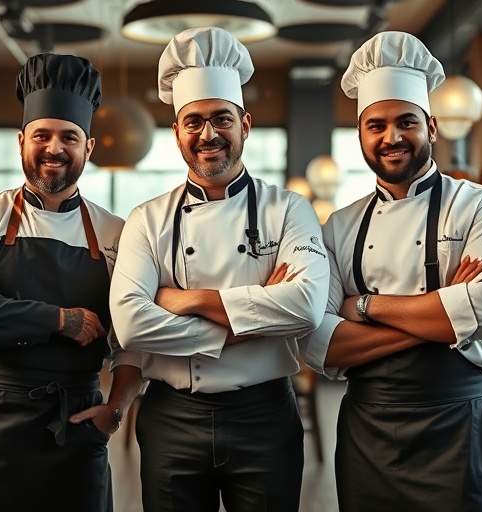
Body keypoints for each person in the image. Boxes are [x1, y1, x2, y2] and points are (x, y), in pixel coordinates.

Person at [109, 27, 330, 512]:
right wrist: (247, 326)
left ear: (245, 124)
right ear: (177, 133)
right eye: (194, 122)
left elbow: (307, 307)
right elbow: (129, 322)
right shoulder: (147, 218)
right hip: (172, 418)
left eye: (221, 119)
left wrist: (183, 300)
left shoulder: (289, 209)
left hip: (265, 414)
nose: (208, 135)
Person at [304, 31, 482, 511]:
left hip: (458, 425)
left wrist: (364, 306)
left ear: (433, 126)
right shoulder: (339, 225)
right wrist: (443, 314)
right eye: (375, 125)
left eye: (407, 122)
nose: (391, 137)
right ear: (360, 134)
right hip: (368, 432)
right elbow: (319, 341)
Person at [0, 53, 143, 512]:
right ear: (22, 141)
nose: (54, 148)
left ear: (90, 147)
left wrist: (115, 410)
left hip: (77, 425)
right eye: (42, 135)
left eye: (69, 137)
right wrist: (60, 320)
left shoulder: (118, 234)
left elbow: (132, 337)